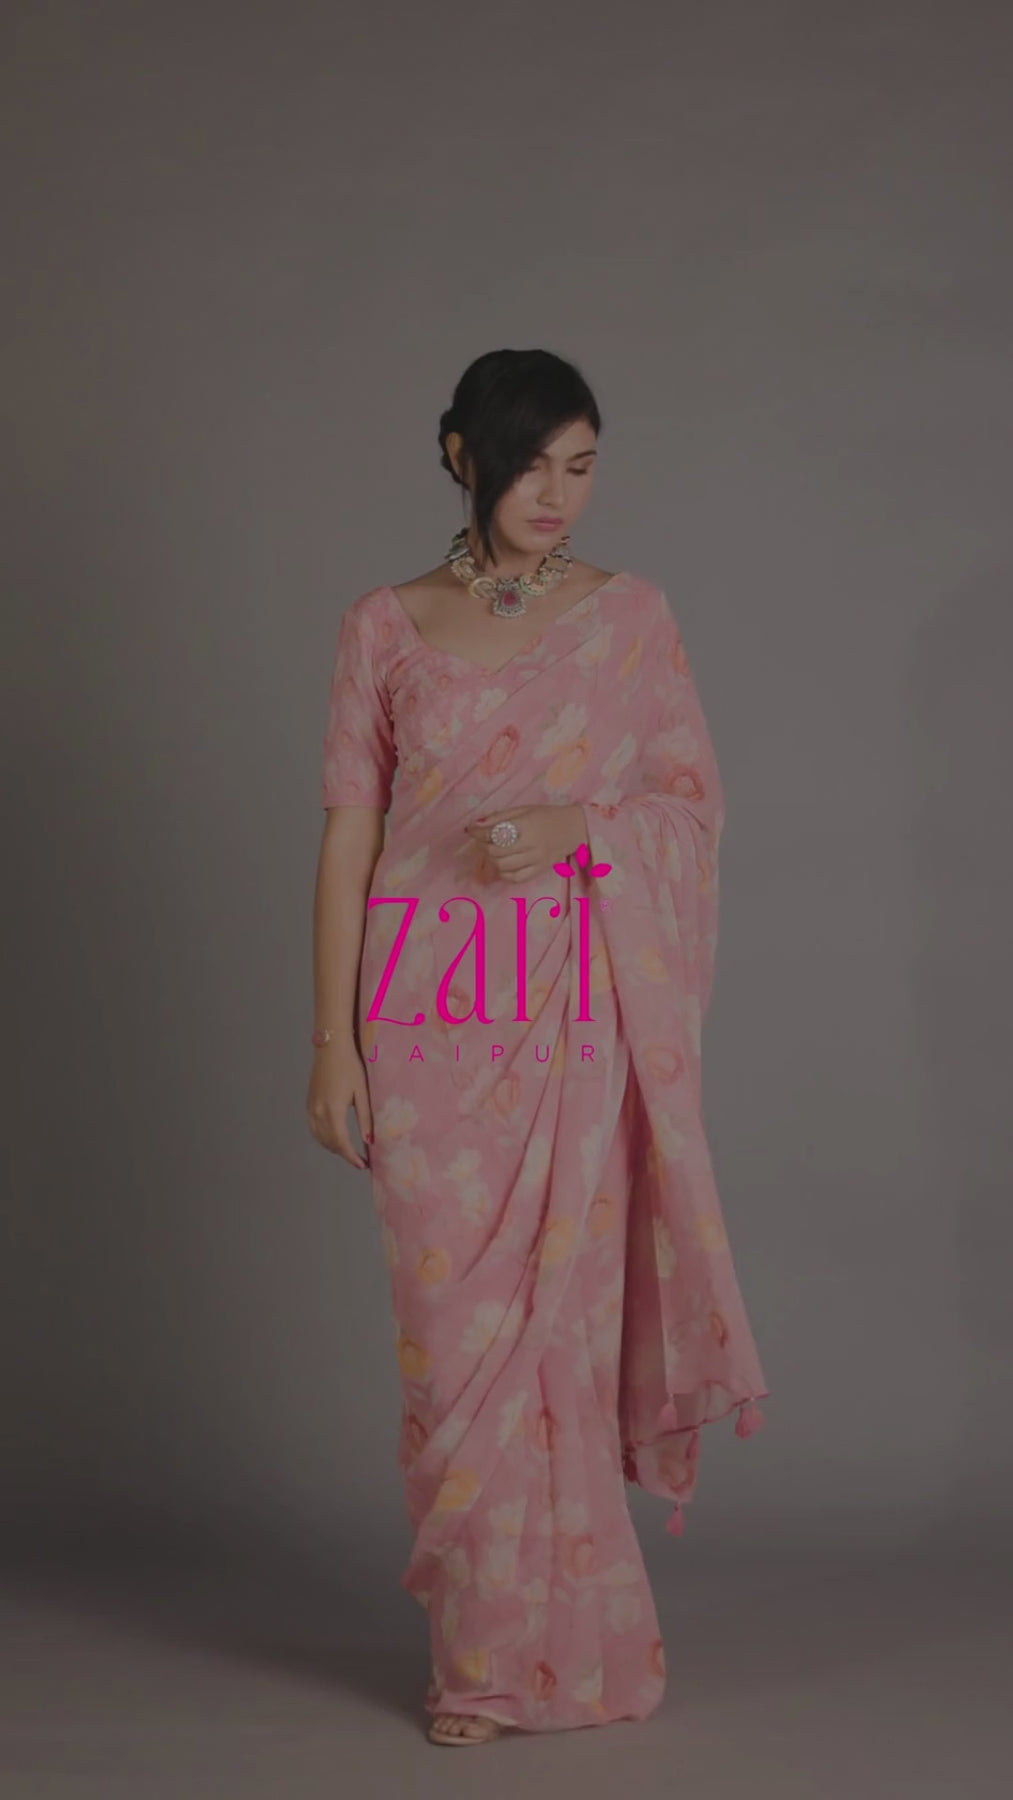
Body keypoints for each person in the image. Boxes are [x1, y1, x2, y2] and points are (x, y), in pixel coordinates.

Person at [307, 348, 769, 1746]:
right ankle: (483, 1640)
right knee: (452, 1353)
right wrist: (330, 1042)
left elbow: (689, 809)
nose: (556, 495)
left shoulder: (630, 619)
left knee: (556, 1340)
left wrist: (582, 830)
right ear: (463, 457)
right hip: (421, 1012)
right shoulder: (384, 626)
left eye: (581, 466)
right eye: (529, 465)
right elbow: (348, 841)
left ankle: (524, 1667)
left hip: (571, 1011)